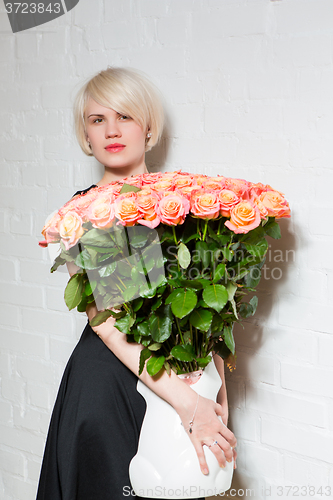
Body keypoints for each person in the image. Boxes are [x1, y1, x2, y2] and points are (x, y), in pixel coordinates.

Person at [36, 67, 237, 500]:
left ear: (148, 126)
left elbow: (212, 317)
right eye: (97, 120)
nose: (111, 130)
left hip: (187, 393)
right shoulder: (83, 212)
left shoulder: (187, 201)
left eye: (124, 116)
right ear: (85, 134)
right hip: (109, 390)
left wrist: (216, 406)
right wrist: (190, 407)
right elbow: (108, 325)